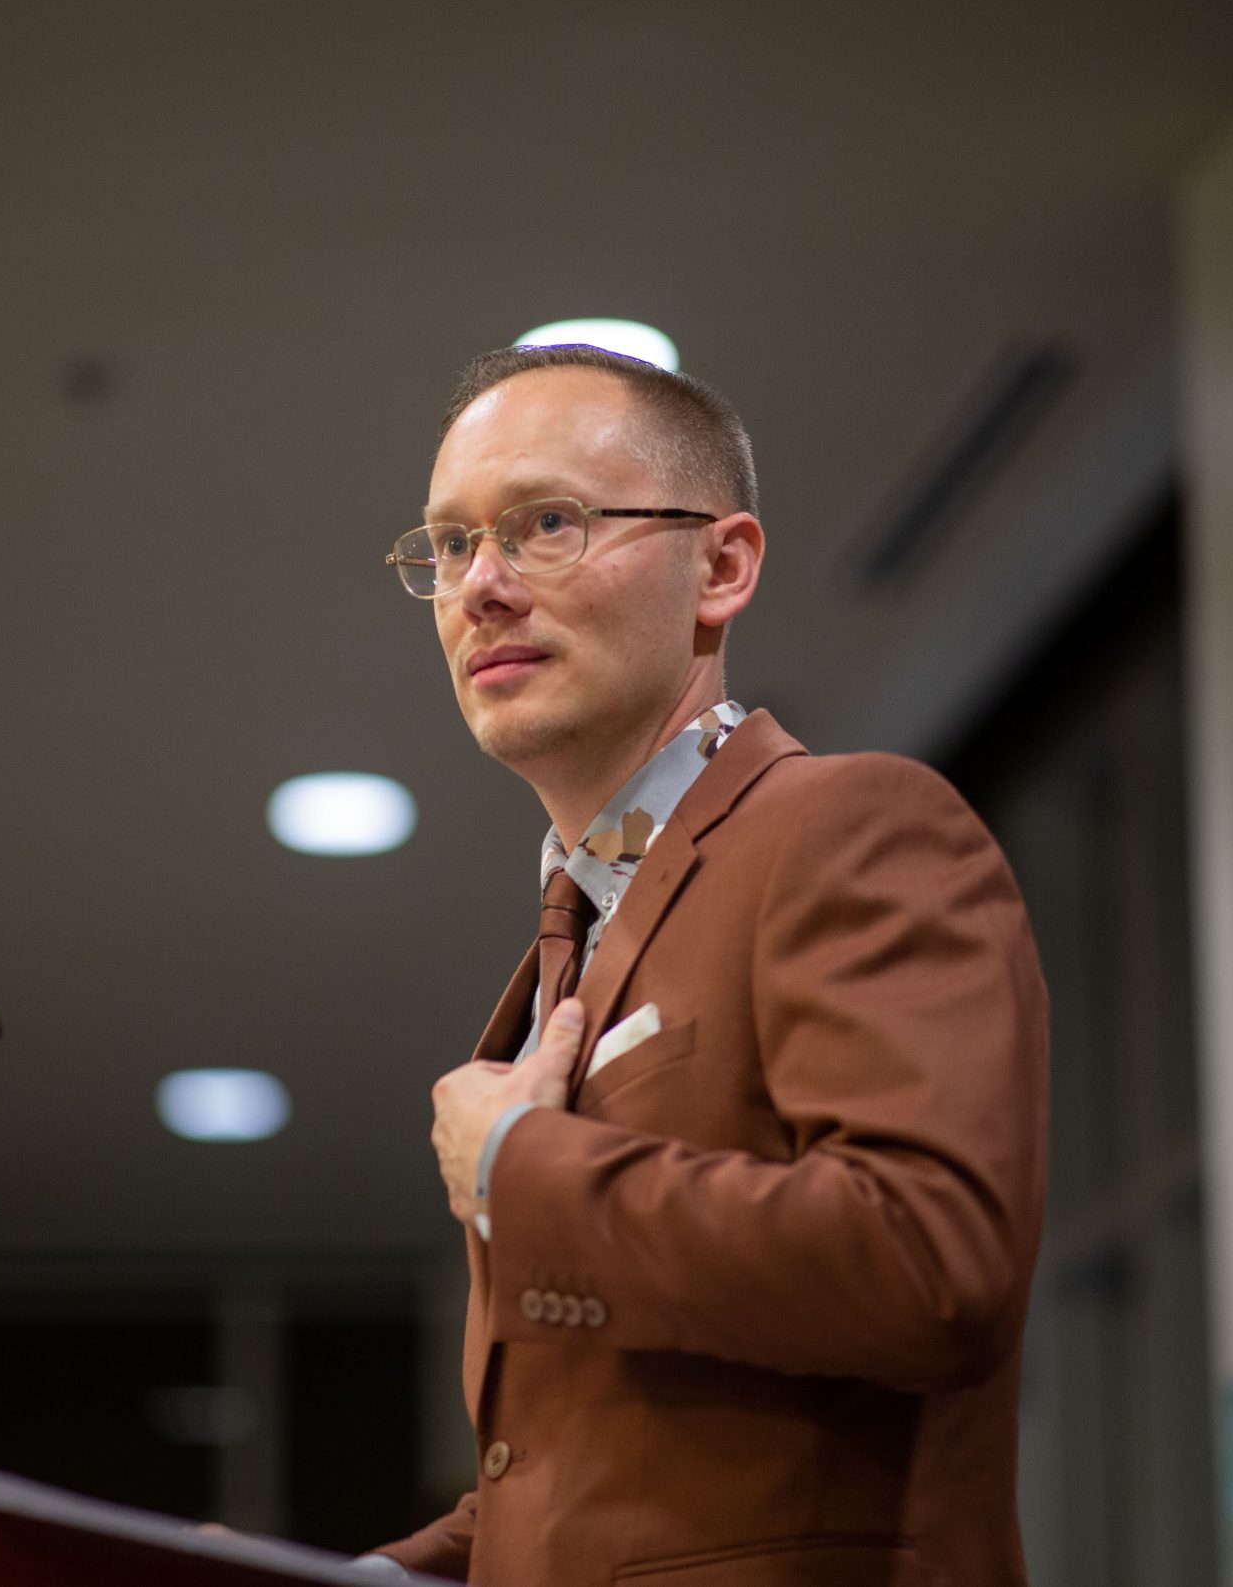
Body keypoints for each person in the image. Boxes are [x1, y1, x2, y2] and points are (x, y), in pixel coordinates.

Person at [364, 346, 1049, 1586]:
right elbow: (601, 1462)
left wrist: (523, 1168)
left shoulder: (849, 825)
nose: (481, 587)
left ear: (721, 566)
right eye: (449, 545)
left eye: (545, 524)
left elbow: (931, 1260)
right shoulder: (574, 933)